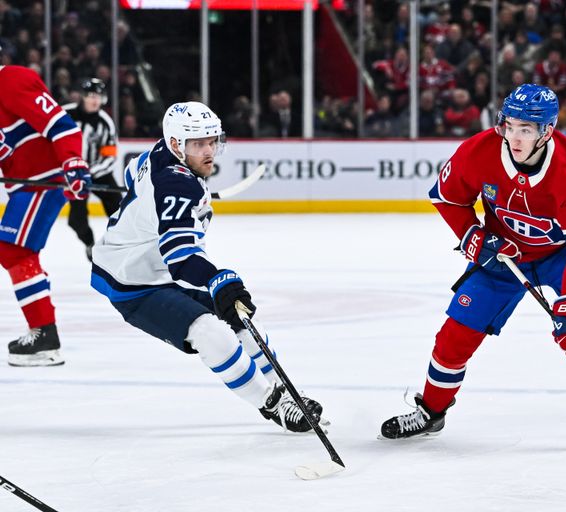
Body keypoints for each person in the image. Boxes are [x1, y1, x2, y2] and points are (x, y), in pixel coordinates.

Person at [380, 84, 566, 451]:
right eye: (510, 125)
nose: (515, 136)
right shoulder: (479, 151)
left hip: (563, 255)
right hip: (502, 255)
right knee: (455, 335)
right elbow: (447, 198)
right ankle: (431, 411)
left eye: (526, 129)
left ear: (547, 131)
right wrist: (472, 235)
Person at [90, 102, 323, 432]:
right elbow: (180, 256)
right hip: (132, 282)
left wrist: (146, 198)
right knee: (209, 331)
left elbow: (132, 172)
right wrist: (218, 279)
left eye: (212, 141)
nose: (209, 151)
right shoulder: (178, 186)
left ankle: (287, 394)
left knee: (238, 316)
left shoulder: (160, 154)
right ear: (176, 145)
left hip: (156, 269)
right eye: (198, 144)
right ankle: (271, 403)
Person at [0, 65, 92, 367]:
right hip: (26, 186)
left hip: (43, 180)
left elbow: (62, 125)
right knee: (17, 253)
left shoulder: (10, 79)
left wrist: (73, 162)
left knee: (13, 251)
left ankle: (44, 335)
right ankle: (43, 332)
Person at [63, 78, 120, 260]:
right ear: (83, 97)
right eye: (91, 96)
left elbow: (110, 156)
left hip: (98, 174)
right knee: (76, 220)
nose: (95, 100)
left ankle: (119, 246)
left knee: (121, 212)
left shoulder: (105, 122)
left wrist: (90, 172)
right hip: (73, 176)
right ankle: (90, 244)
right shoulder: (65, 114)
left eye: (99, 96)